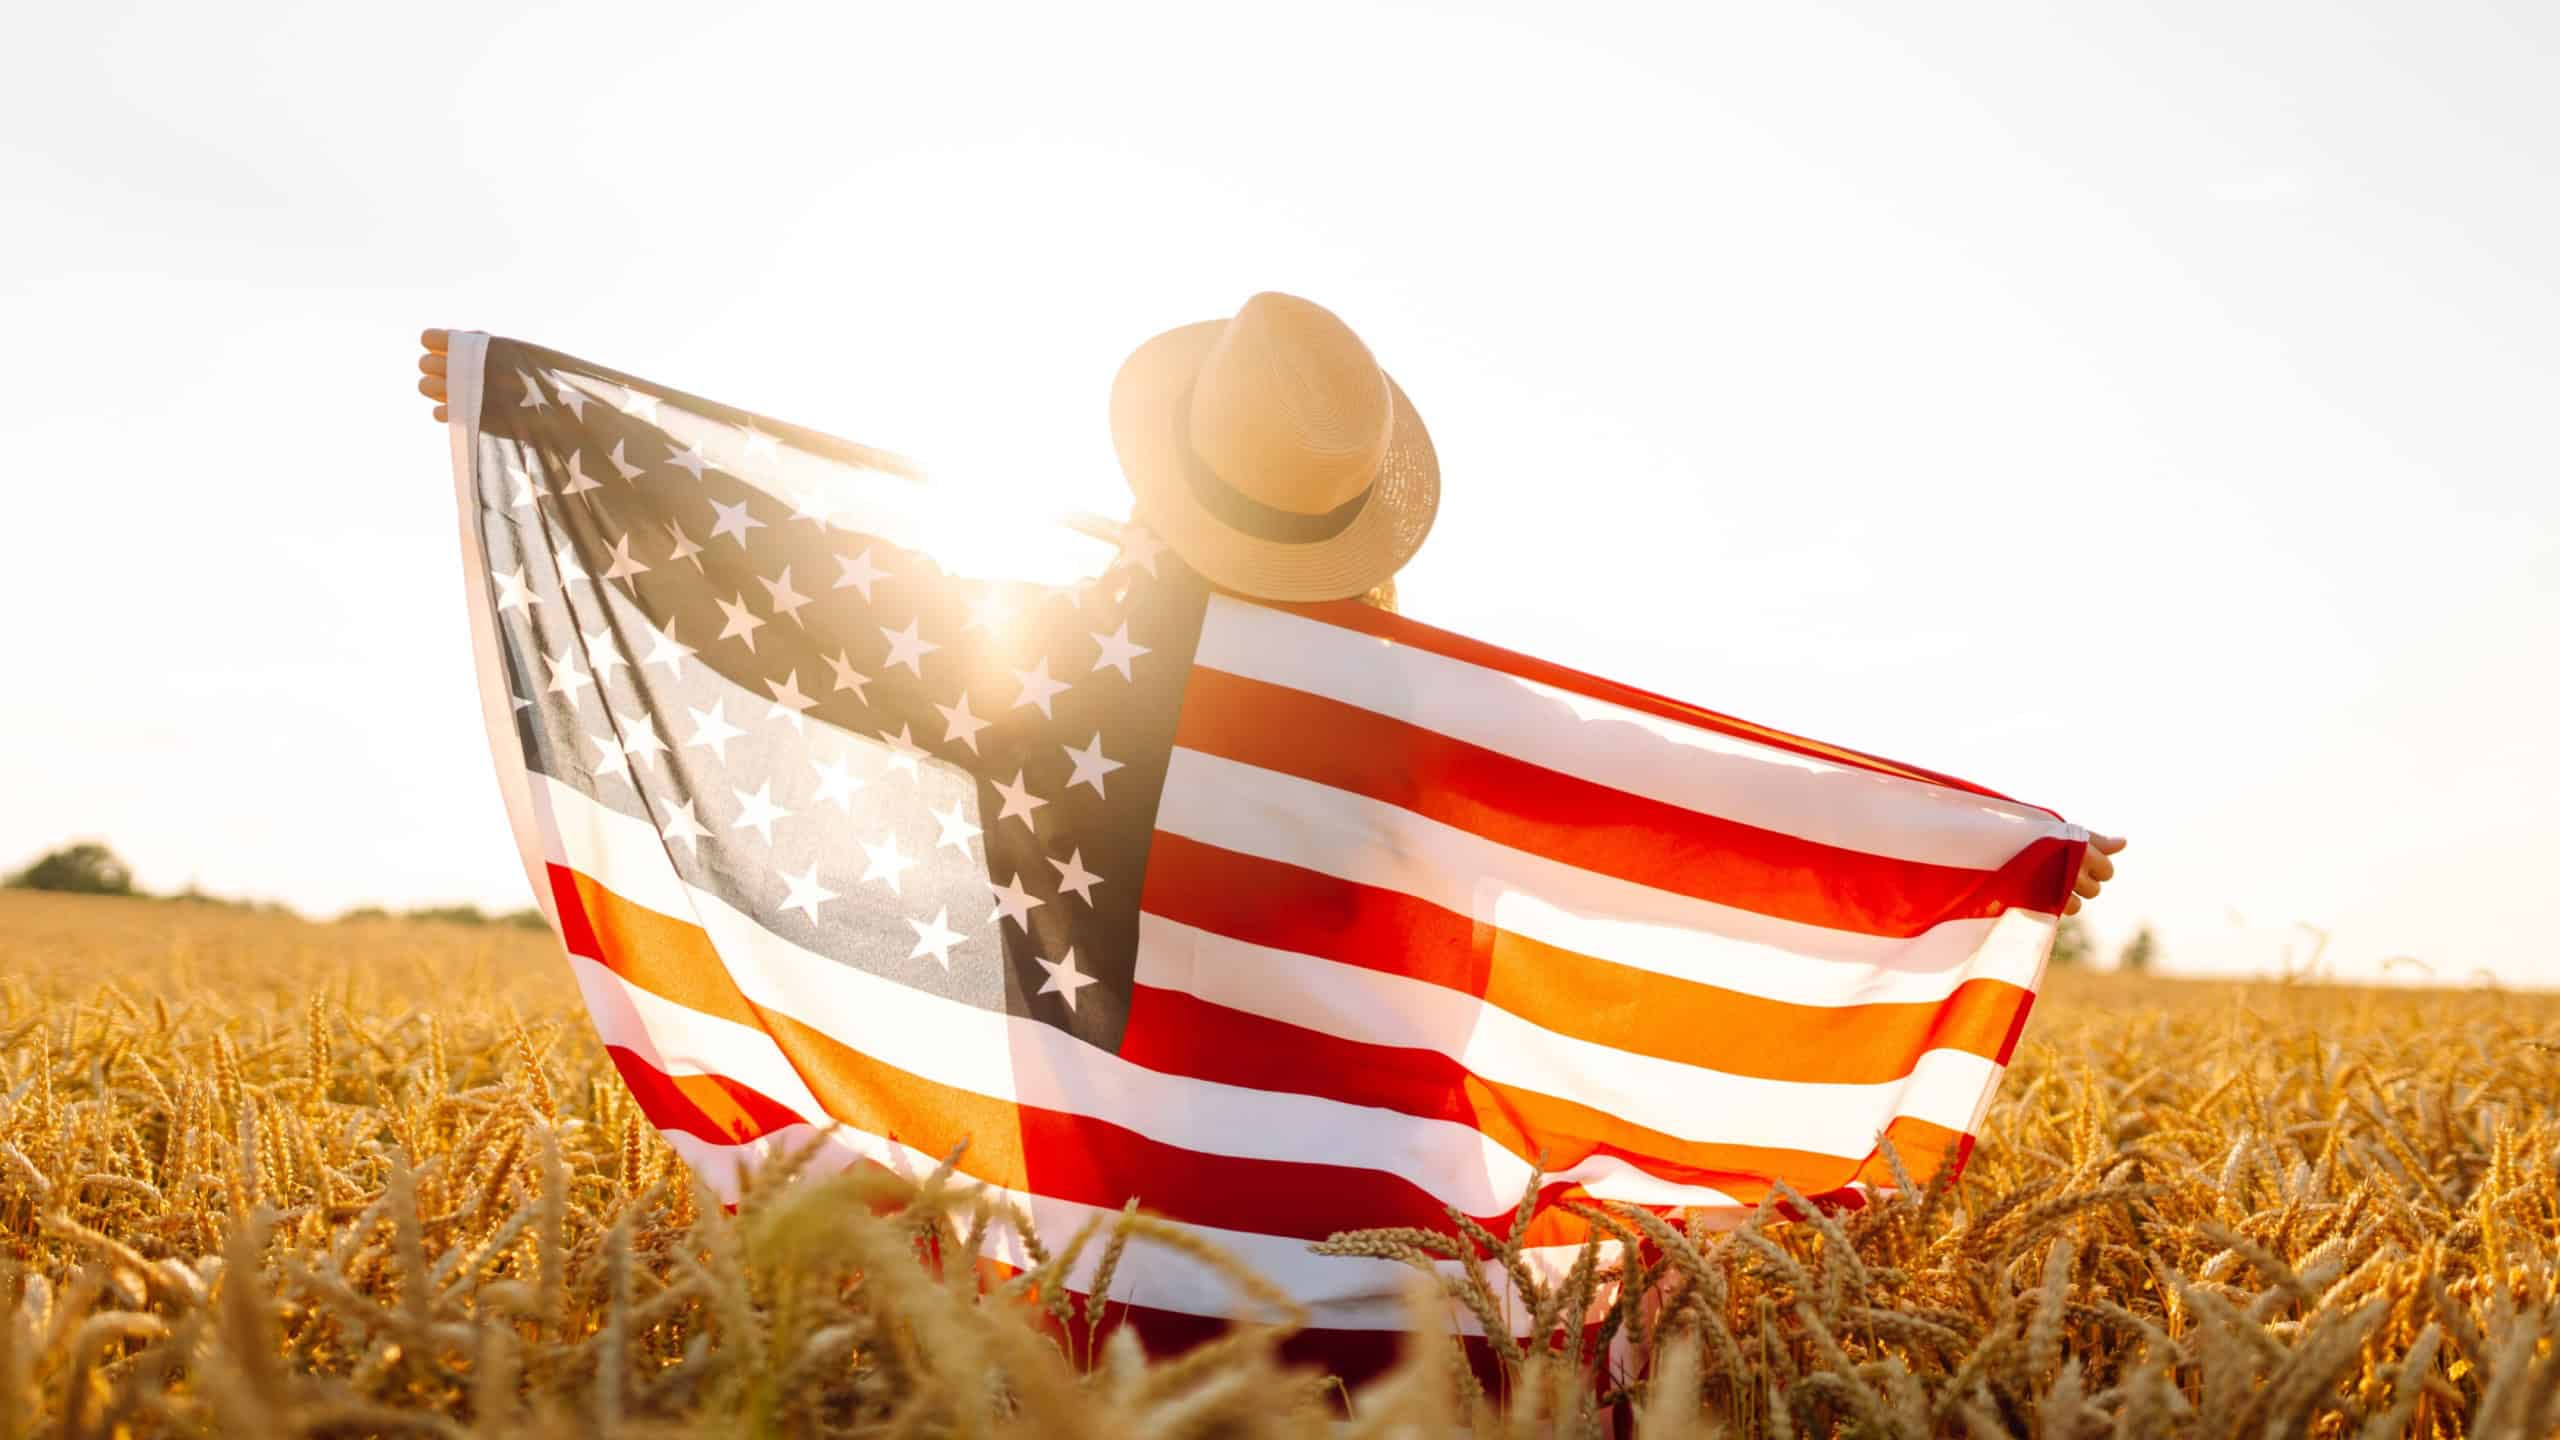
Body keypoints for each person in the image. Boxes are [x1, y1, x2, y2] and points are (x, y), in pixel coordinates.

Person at [415, 301, 2123, 911]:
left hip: (1112, 1228)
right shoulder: (1428, 707)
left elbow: (764, 594)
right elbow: (1686, 823)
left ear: (1169, 472)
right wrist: (1994, 858)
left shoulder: (1038, 660)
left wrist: (546, 428)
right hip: (1405, 1244)